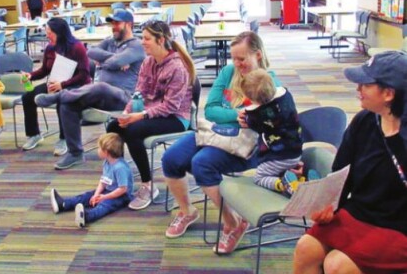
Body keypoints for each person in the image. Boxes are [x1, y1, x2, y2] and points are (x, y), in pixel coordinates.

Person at [161, 31, 280, 253]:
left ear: (258, 55)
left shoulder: (269, 81)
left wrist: (237, 115)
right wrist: (237, 115)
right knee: (171, 158)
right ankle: (187, 211)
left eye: (242, 59)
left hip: (247, 145)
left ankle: (234, 222)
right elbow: (210, 110)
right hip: (215, 133)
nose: (237, 64)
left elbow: (263, 122)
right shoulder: (228, 72)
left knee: (202, 163)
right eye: (233, 58)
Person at [293, 51, 407, 274]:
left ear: (388, 93)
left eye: (365, 84)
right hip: (361, 211)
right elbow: (341, 173)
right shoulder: (364, 120)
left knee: (338, 265)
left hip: (398, 225)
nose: (358, 89)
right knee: (305, 248)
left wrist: (395, 140)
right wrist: (329, 206)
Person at [34, 10, 145, 170]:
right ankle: (75, 153)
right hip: (99, 95)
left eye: (117, 23)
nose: (113, 27)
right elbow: (91, 52)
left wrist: (108, 62)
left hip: (123, 97)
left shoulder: (137, 45)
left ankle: (58, 96)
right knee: (68, 104)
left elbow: (115, 62)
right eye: (112, 23)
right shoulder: (110, 42)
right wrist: (113, 60)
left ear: (128, 24)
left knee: (98, 87)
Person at [107, 20, 195, 211]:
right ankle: (119, 176)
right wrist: (125, 112)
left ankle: (148, 185)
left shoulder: (178, 68)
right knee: (113, 127)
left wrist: (139, 116)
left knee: (133, 131)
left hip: (177, 118)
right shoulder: (148, 62)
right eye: (142, 38)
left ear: (161, 40)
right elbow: (139, 93)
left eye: (147, 39)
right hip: (153, 112)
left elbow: (171, 107)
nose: (142, 42)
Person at [20, 18, 91, 153]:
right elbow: (44, 70)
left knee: (61, 100)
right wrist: (31, 75)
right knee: (27, 97)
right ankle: (34, 134)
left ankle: (64, 139)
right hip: (56, 83)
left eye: (50, 33)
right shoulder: (50, 48)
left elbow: (84, 74)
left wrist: (63, 84)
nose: (47, 35)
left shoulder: (77, 47)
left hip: (76, 86)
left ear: (60, 33)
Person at [240, 68, 304, 196]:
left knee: (259, 177)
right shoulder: (286, 95)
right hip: (296, 151)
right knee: (282, 166)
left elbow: (254, 124)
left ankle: (283, 184)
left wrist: (246, 116)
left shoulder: (256, 115)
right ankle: (301, 181)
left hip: (278, 157)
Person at [50, 133, 133, 228]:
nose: (98, 150)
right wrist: (97, 194)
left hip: (122, 196)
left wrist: (104, 197)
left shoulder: (120, 168)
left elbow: (123, 189)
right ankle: (64, 204)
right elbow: (103, 181)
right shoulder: (107, 162)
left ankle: (87, 216)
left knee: (105, 205)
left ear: (106, 152)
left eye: (99, 148)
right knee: (88, 195)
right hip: (110, 189)